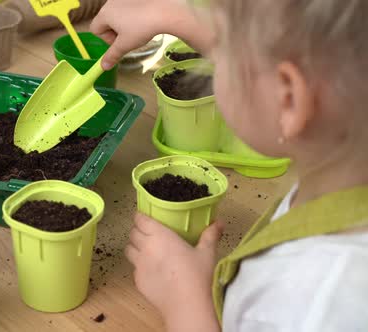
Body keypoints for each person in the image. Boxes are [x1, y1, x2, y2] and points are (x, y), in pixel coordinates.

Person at [90, 0, 368, 331]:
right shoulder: (344, 165)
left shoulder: (316, 301)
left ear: (289, 98)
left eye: (221, 57)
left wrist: (186, 301)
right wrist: (170, 15)